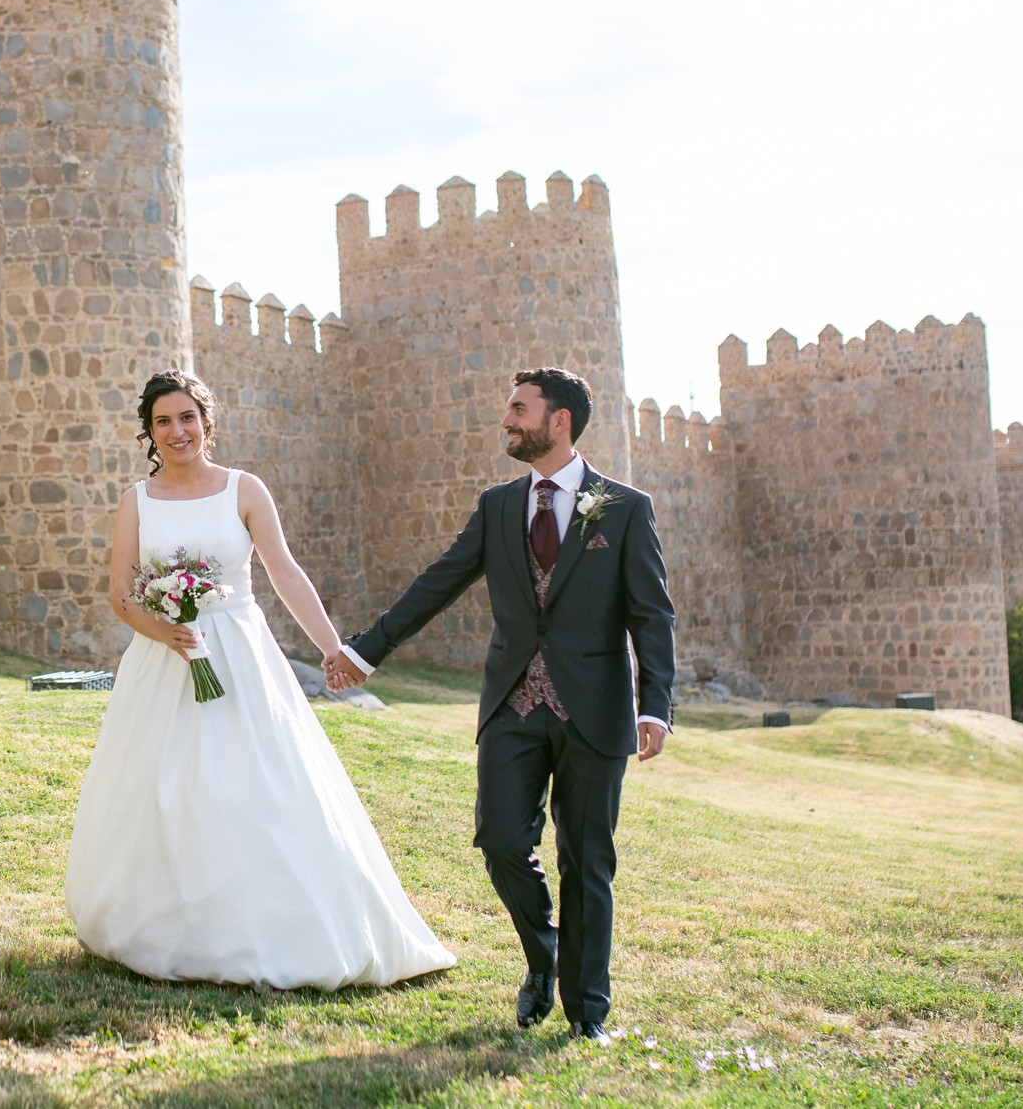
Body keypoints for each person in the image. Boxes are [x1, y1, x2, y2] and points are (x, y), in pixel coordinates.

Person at [65, 368, 455, 989]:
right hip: (164, 659)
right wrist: (166, 632)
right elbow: (121, 595)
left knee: (257, 783)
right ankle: (165, 925)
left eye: (186, 418)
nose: (177, 431)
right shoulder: (135, 502)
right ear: (149, 431)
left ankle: (275, 925)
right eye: (163, 421)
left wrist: (335, 651)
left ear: (205, 421)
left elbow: (284, 571)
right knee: (164, 787)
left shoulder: (244, 490)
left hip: (240, 653)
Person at [324, 367, 676, 1042]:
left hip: (596, 712)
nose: (507, 420)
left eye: (519, 409)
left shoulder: (624, 507)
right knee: (503, 841)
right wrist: (366, 651)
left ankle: (587, 1013)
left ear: (560, 420)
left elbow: (651, 613)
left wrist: (653, 703)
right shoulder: (497, 506)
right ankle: (544, 955)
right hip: (512, 705)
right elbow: (438, 582)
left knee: (589, 863)